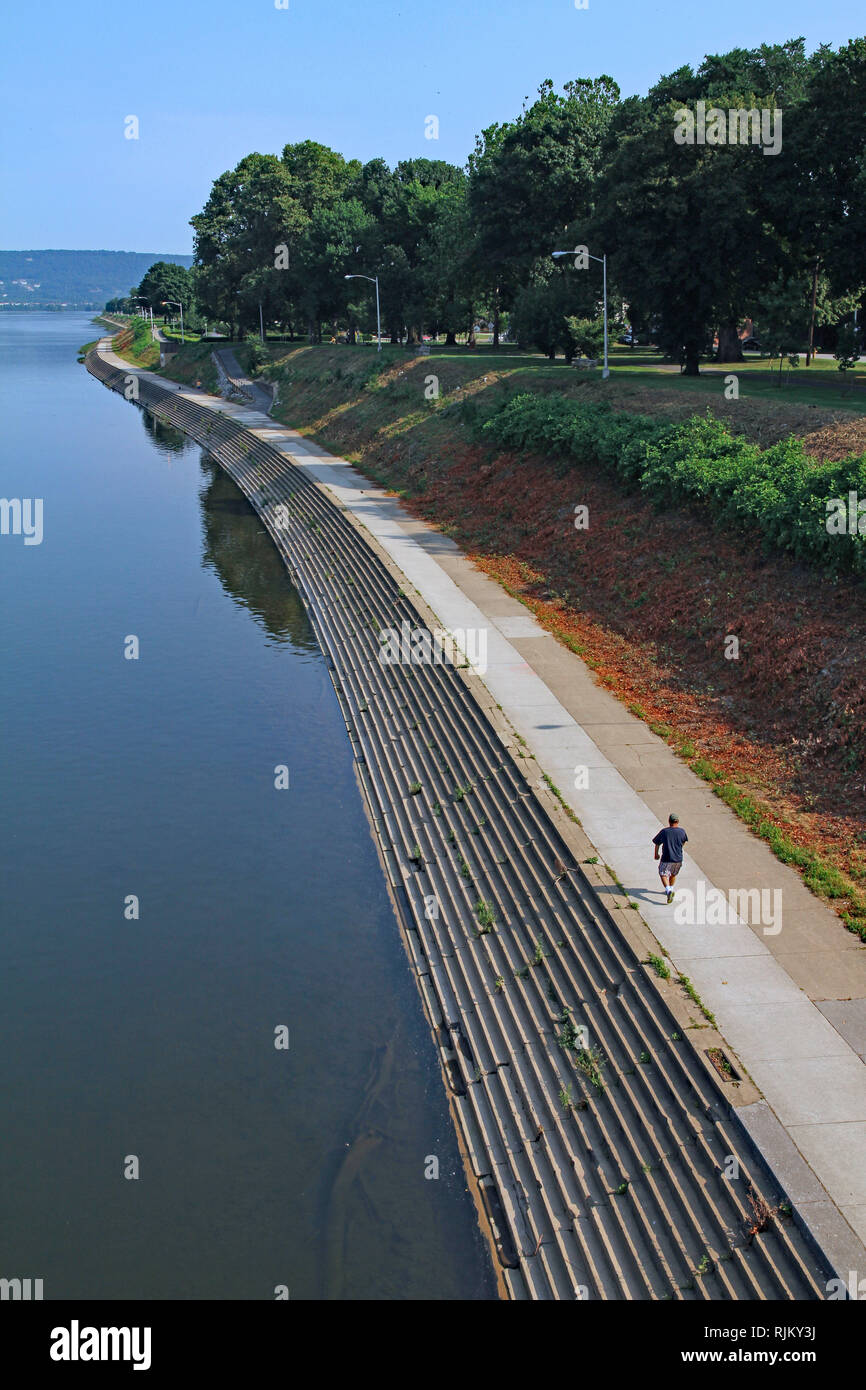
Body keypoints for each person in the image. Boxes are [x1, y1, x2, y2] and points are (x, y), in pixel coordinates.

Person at [653, 814, 688, 903]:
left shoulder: (664, 832)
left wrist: (656, 854)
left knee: (663, 873)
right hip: (678, 858)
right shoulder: (682, 831)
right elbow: (683, 842)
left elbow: (657, 843)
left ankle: (668, 890)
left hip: (667, 857)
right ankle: (671, 889)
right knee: (673, 874)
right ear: (678, 822)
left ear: (669, 821)